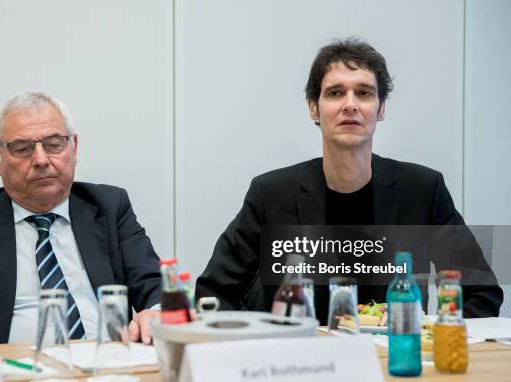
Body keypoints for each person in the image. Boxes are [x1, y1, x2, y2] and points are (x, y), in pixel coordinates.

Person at [195, 38, 503, 324]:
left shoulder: (423, 190)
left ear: (381, 109)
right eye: (335, 92)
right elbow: (212, 293)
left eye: (365, 93)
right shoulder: (271, 194)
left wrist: (437, 342)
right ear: (313, 107)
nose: (350, 104)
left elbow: (482, 292)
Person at [0, 92, 161, 349]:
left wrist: (156, 312)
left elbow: (152, 284)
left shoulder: (109, 205)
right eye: (21, 148)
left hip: (109, 366)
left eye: (54, 144)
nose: (40, 160)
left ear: (74, 147)